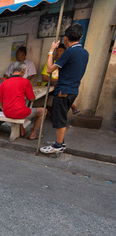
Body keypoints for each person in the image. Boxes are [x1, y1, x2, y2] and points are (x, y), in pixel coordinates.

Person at [41, 24, 89, 154]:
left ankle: (58, 146)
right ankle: (60, 142)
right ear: (81, 36)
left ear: (66, 38)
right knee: (61, 116)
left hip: (63, 90)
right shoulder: (85, 52)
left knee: (60, 118)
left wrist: (51, 51)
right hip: (73, 89)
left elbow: (50, 69)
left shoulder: (70, 52)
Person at [0, 62, 46, 140]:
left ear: (12, 70)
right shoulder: (25, 82)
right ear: (23, 71)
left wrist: (4, 110)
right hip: (19, 112)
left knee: (19, 107)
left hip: (7, 113)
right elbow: (31, 99)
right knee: (43, 111)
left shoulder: (4, 83)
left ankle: (22, 131)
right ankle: (33, 134)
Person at [41, 44, 80, 114]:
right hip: (48, 85)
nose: (58, 53)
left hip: (59, 86)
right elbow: (44, 78)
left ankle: (57, 112)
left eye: (61, 51)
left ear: (65, 53)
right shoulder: (51, 63)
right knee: (60, 86)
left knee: (64, 88)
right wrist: (58, 80)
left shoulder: (66, 65)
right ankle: (73, 106)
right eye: (57, 51)